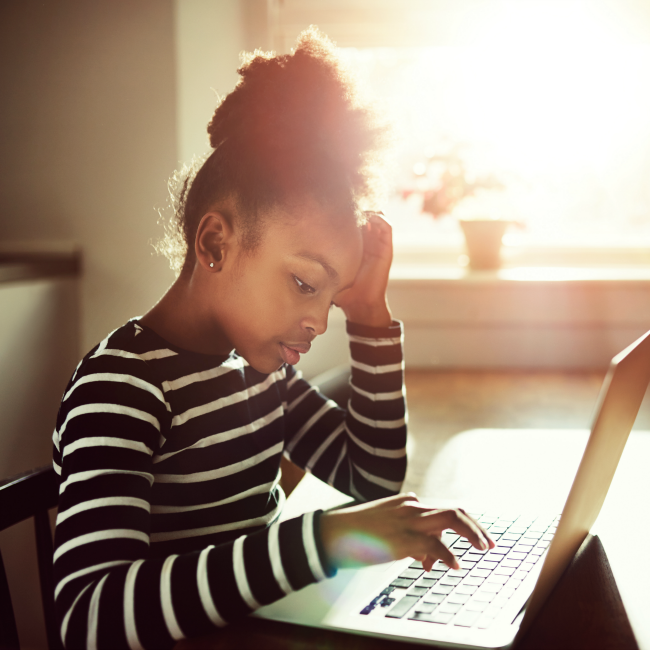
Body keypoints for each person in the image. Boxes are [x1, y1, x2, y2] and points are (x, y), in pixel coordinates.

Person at [51, 27, 493, 650]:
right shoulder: (123, 388)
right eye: (305, 283)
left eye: (332, 294)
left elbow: (370, 478)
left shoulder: (260, 374)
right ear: (215, 244)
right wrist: (325, 539)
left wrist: (369, 317)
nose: (319, 320)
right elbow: (91, 619)